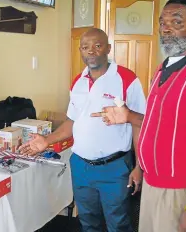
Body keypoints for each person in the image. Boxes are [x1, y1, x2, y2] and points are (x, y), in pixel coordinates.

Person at [91, 0, 186, 232]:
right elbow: (159, 123)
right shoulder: (163, 68)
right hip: (153, 185)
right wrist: (127, 117)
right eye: (162, 22)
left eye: (176, 22)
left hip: (180, 192)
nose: (166, 28)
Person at [19, 28, 146, 232]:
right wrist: (46, 139)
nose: (92, 51)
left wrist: (140, 166)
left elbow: (141, 123)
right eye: (86, 47)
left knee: (118, 224)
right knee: (88, 223)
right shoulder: (77, 82)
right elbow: (72, 121)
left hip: (114, 168)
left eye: (98, 45)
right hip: (81, 166)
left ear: (108, 48)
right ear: (80, 51)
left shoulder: (127, 79)